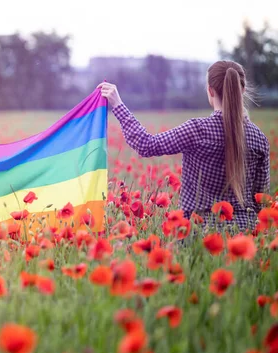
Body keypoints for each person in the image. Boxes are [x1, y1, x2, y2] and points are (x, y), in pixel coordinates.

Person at [99, 60, 270, 230]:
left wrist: (118, 104)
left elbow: (146, 144)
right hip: (245, 236)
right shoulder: (259, 138)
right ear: (243, 91)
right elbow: (261, 199)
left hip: (198, 234)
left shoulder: (197, 130)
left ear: (210, 91)